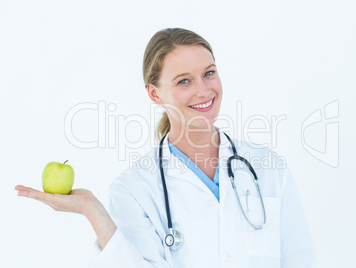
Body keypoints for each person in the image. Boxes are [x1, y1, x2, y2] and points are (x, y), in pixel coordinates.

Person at [15, 28, 316, 267]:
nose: (203, 90)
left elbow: (300, 259)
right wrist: (92, 210)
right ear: (155, 94)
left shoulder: (267, 166)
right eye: (184, 81)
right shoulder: (133, 189)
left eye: (209, 73)